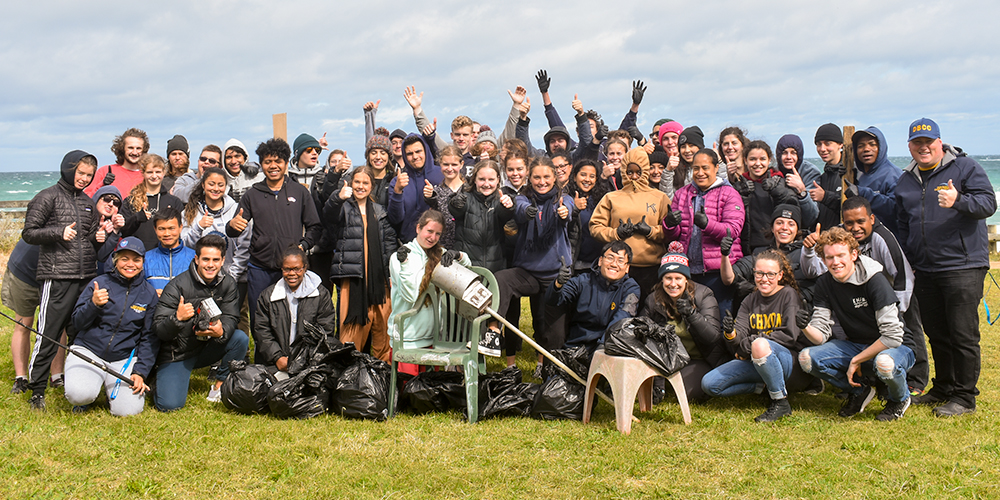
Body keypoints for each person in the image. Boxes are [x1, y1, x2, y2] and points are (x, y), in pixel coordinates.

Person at [895, 118, 996, 416]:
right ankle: (944, 387)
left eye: (929, 142)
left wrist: (959, 200)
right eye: (917, 143)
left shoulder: (966, 168)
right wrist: (909, 257)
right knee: (937, 332)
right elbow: (903, 223)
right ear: (910, 146)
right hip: (925, 268)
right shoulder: (906, 179)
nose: (923, 147)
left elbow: (988, 204)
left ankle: (964, 397)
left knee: (962, 333)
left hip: (963, 266)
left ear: (940, 143)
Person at [800, 196, 928, 394]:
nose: (855, 227)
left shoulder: (882, 238)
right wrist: (808, 250)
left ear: (872, 219)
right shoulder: (837, 248)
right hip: (857, 300)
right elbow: (816, 269)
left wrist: (897, 308)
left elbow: (902, 274)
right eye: (849, 223)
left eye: (861, 221)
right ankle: (862, 383)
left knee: (906, 331)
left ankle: (915, 381)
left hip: (892, 296)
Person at [797, 227, 914, 421]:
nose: (835, 262)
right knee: (806, 358)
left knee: (885, 364)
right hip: (857, 344)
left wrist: (856, 360)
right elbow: (820, 336)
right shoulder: (825, 283)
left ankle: (899, 399)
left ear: (853, 254)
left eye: (841, 255)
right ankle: (859, 391)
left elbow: (893, 336)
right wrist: (805, 326)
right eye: (829, 258)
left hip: (896, 345)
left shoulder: (875, 279)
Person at [21, 150, 101, 410]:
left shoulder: (88, 203)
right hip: (56, 277)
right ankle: (37, 390)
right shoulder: (47, 197)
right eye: (80, 173)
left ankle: (80, 388)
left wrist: (99, 236)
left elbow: (86, 239)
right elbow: (29, 233)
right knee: (48, 333)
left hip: (85, 277)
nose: (84, 179)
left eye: (89, 175)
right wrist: (58, 232)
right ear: (68, 169)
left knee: (80, 334)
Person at [226, 138, 322, 337]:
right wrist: (231, 226)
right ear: (261, 164)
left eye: (278, 161)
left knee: (293, 319)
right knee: (261, 320)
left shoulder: (299, 192)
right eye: (268, 161)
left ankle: (292, 361)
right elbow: (234, 228)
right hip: (259, 268)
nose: (273, 166)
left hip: (291, 269)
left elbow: (314, 227)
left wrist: (303, 246)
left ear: (286, 163)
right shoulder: (252, 194)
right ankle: (263, 364)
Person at [490, 158, 574, 371]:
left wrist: (564, 213)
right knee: (501, 279)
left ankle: (547, 368)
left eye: (547, 177)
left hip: (555, 275)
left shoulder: (563, 200)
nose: (542, 181)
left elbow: (568, 210)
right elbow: (520, 208)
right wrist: (527, 213)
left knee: (551, 331)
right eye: (537, 177)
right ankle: (492, 330)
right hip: (527, 272)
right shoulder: (522, 198)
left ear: (555, 178)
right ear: (530, 177)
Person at [702, 250, 804, 422]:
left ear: (780, 275)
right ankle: (763, 386)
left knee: (760, 344)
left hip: (787, 363)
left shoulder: (788, 295)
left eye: (770, 274)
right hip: (756, 359)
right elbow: (738, 339)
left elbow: (789, 335)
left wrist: (747, 346)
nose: (764, 279)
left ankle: (780, 402)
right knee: (710, 384)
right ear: (754, 274)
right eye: (759, 273)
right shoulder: (750, 299)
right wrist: (730, 333)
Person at [152, 234, 247, 411]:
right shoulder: (177, 286)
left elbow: (232, 317)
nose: (210, 265)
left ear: (222, 260)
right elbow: (158, 329)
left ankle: (220, 386)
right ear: (196, 259)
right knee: (169, 405)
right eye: (205, 259)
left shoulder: (228, 284)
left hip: (207, 347)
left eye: (215, 260)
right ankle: (157, 378)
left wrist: (222, 331)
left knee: (239, 338)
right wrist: (177, 318)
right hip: (178, 353)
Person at [66, 237, 159, 416]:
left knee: (128, 411)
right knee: (78, 394)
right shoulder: (99, 283)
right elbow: (76, 322)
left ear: (142, 262)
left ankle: (109, 389)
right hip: (89, 350)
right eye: (124, 259)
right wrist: (93, 305)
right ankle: (88, 391)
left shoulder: (149, 293)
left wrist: (140, 372)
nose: (130, 264)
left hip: (123, 358)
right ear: (115, 261)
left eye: (136, 259)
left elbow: (149, 337)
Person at [325, 166, 398, 362]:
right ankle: (349, 375)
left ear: (371, 186)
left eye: (365, 183)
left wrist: (391, 272)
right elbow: (329, 215)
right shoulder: (345, 208)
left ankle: (383, 377)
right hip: (354, 279)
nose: (360, 186)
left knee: (383, 329)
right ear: (351, 183)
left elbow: (389, 243)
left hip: (379, 282)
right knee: (352, 332)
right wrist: (337, 198)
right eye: (357, 182)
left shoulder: (380, 212)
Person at [388, 210, 472, 376]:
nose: (432, 238)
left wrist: (459, 255)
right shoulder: (401, 257)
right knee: (409, 392)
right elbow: (410, 297)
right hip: (407, 338)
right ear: (418, 228)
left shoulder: (439, 254)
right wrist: (404, 265)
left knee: (427, 392)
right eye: (429, 231)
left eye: (437, 234)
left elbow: (467, 270)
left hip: (433, 337)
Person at [662, 149, 746, 315]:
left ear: (716, 168)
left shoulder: (730, 194)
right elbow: (674, 237)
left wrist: (707, 224)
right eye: (696, 168)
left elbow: (734, 230)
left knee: (719, 318)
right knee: (690, 320)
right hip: (688, 271)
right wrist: (669, 225)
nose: (700, 173)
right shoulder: (682, 194)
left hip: (717, 272)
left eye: (705, 168)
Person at [589, 147, 671, 305]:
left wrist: (651, 231)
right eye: (630, 172)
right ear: (623, 170)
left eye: (638, 172)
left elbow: (670, 231)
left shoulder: (660, 197)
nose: (634, 177)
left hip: (652, 268)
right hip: (619, 267)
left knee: (649, 312)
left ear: (645, 171)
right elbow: (595, 227)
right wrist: (616, 234)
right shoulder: (611, 197)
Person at [641, 249, 725, 403]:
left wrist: (692, 314)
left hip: (698, 358)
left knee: (686, 394)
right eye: (668, 278)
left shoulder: (704, 295)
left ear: (686, 279)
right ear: (662, 279)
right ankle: (660, 380)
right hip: (665, 358)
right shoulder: (653, 300)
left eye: (678, 278)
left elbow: (712, 338)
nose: (673, 284)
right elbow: (641, 333)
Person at [545, 241, 640, 355]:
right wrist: (558, 284)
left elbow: (622, 319)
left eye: (620, 261)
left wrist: (602, 347)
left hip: (608, 348)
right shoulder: (583, 281)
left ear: (627, 268)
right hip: (576, 344)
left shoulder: (631, 289)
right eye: (610, 258)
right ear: (600, 261)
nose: (614, 264)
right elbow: (552, 300)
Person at [253, 247, 338, 372]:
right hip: (276, 364)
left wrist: (305, 360)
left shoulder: (320, 295)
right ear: (282, 269)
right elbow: (262, 331)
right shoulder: (268, 296)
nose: (292, 273)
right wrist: (277, 357)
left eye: (297, 269)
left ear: (304, 268)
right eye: (287, 269)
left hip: (310, 364)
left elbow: (326, 329)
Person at [181, 167, 249, 281]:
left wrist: (231, 276)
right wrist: (198, 227)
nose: (216, 189)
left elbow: (244, 246)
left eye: (220, 185)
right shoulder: (190, 211)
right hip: (198, 278)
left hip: (232, 277)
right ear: (203, 185)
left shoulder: (236, 210)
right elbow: (184, 244)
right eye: (211, 184)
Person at [449, 160, 515, 274]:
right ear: (474, 179)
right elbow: (455, 209)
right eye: (482, 179)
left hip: (496, 268)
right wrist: (455, 203)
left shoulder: (501, 200)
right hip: (467, 267)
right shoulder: (466, 198)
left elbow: (505, 215)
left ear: (498, 179)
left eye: (491, 179)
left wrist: (507, 207)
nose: (486, 184)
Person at [733, 140, 798, 254]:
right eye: (752, 159)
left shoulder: (779, 182)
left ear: (769, 160)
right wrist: (742, 198)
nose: (758, 163)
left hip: (776, 246)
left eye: (762, 159)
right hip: (748, 248)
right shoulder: (739, 187)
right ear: (745, 160)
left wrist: (778, 193)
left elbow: (794, 209)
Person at [387, 134, 444, 243]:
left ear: (426, 151)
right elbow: (395, 219)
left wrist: (433, 198)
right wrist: (397, 191)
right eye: (409, 153)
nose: (415, 157)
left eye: (418, 151)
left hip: (439, 244)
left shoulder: (442, 174)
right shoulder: (398, 181)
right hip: (410, 245)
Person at [120, 153, 184, 250]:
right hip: (137, 254)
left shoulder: (174, 202)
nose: (154, 176)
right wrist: (136, 218)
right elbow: (123, 231)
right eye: (150, 172)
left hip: (164, 254)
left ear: (164, 172)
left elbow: (181, 231)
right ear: (143, 173)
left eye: (158, 172)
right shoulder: (131, 201)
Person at [2, 240, 41, 394]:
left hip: (56, 273)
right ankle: (21, 378)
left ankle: (57, 376)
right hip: (26, 272)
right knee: (24, 323)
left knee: (57, 324)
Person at [849, 127, 902, 235]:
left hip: (889, 242)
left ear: (881, 147)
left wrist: (863, 193)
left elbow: (895, 209)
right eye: (860, 146)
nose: (866, 149)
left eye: (872, 144)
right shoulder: (861, 176)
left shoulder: (893, 174)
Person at [567, 159, 608, 275]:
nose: (587, 179)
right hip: (576, 263)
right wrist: (574, 209)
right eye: (583, 175)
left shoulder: (602, 199)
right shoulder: (566, 198)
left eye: (592, 176)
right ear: (575, 177)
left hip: (598, 263)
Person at [144, 208, 196, 295]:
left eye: (171, 228)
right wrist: (150, 295)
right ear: (155, 229)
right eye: (161, 229)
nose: (167, 234)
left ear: (180, 228)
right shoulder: (145, 259)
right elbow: (136, 291)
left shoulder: (194, 257)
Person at [423, 145, 465, 250]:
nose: (450, 169)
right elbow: (433, 203)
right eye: (446, 164)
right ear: (440, 164)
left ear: (461, 164)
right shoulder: (437, 191)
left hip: (466, 246)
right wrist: (429, 196)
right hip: (443, 247)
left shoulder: (469, 190)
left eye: (454, 164)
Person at [774, 134, 821, 229]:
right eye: (784, 153)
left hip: (802, 229)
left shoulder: (810, 172)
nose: (788, 157)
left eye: (793, 153)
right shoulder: (773, 172)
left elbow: (812, 217)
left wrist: (802, 191)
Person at [85, 128, 149, 198]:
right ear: (122, 149)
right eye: (130, 148)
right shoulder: (105, 171)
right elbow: (87, 198)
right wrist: (102, 185)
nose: (134, 152)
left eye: (138, 148)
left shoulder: (149, 175)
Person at [809, 123, 845, 231]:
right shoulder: (822, 177)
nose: (822, 149)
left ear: (840, 144)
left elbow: (852, 206)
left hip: (843, 241)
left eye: (827, 143)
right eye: (819, 144)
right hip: (824, 240)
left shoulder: (850, 172)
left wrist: (825, 197)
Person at [221, 138, 263, 203]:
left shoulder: (259, 178)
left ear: (245, 157)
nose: (233, 161)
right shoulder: (220, 181)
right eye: (229, 157)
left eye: (237, 156)